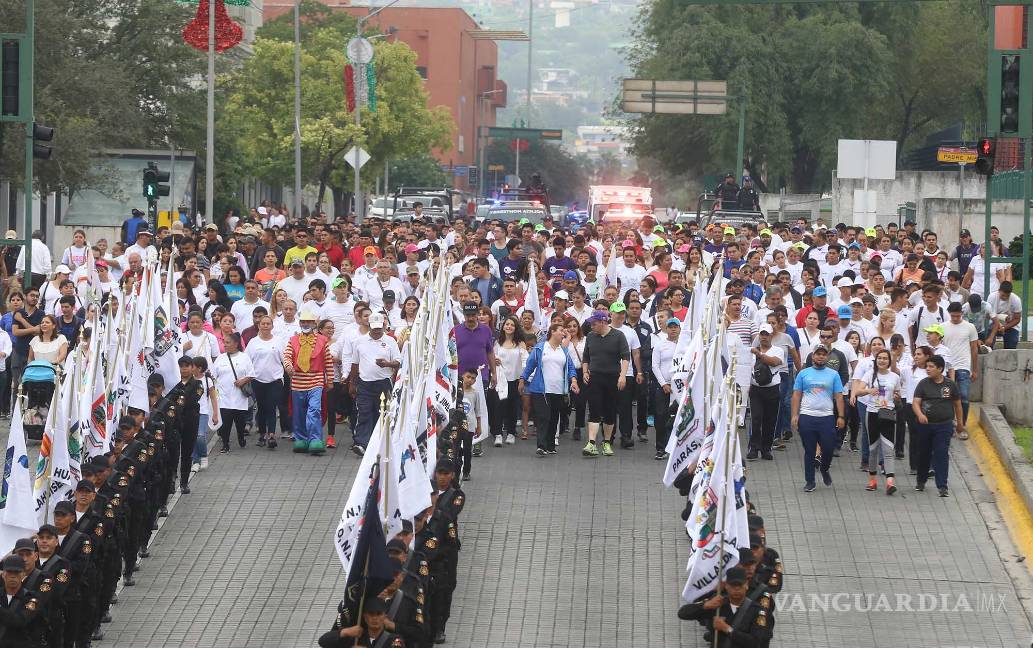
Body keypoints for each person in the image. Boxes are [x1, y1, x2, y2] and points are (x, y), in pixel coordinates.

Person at [791, 344, 846, 492]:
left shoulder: (833, 375)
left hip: (826, 417)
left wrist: (840, 416)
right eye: (818, 354)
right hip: (807, 416)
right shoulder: (803, 373)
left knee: (828, 448)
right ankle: (810, 481)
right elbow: (796, 395)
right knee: (809, 451)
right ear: (812, 356)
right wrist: (795, 415)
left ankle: (824, 468)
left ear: (827, 357)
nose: (821, 356)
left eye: (823, 354)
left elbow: (839, 396)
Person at [519, 322, 579, 456]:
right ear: (552, 332)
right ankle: (541, 445)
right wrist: (522, 379)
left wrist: (573, 380)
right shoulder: (541, 348)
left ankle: (551, 445)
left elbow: (570, 368)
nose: (563, 333)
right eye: (561, 330)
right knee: (543, 416)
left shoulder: (563, 350)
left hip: (558, 390)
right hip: (541, 389)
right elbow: (530, 365)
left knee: (553, 418)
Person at [349, 312, 401, 456]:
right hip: (365, 383)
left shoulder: (390, 341)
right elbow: (355, 364)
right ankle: (361, 443)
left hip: (384, 383)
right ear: (369, 325)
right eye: (375, 327)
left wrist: (387, 364)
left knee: (383, 413)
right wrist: (352, 383)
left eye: (380, 327)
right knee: (364, 412)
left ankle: (382, 444)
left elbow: (398, 362)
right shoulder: (359, 341)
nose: (377, 330)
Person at [912, 354, 963, 497]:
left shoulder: (950, 385)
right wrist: (920, 415)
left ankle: (942, 486)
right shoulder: (923, 384)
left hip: (944, 425)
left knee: (941, 454)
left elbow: (957, 405)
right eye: (927, 366)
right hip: (925, 426)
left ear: (940, 369)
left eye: (931, 367)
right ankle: (921, 481)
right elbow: (916, 403)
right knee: (924, 453)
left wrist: (960, 423)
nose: (927, 369)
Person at [581, 310, 630, 457]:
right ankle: (591, 442)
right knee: (594, 409)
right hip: (595, 377)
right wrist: (585, 372)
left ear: (603, 322)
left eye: (594, 324)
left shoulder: (618, 336)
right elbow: (586, 357)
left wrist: (623, 375)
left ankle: (607, 442)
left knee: (610, 411)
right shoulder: (590, 336)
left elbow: (626, 357)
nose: (592, 327)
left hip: (612, 378)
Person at [284, 310, 334, 455]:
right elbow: (287, 356)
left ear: (314, 324)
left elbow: (328, 361)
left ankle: (315, 439)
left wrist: (329, 380)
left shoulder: (322, 340)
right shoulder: (292, 340)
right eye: (303, 322)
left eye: (309, 322)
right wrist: (288, 366)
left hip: (316, 379)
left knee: (314, 410)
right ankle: (301, 438)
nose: (306, 324)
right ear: (300, 323)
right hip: (298, 380)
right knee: (298, 412)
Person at [855, 349, 901, 495]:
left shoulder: (895, 377)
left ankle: (889, 482)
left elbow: (898, 394)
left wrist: (897, 397)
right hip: (873, 414)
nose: (882, 361)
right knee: (873, 448)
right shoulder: (870, 374)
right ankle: (872, 480)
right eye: (879, 358)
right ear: (876, 360)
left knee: (888, 449)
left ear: (889, 361)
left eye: (885, 358)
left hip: (887, 414)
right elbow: (858, 391)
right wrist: (869, 391)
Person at [246, 315, 287, 448]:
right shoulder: (253, 342)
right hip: (257, 380)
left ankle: (271, 435)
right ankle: (262, 434)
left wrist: (290, 370)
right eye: (263, 324)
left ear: (272, 326)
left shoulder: (278, 341)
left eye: (268, 324)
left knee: (271, 407)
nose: (265, 326)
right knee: (262, 408)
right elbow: (247, 361)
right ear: (259, 326)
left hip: (275, 379)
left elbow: (285, 359)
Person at [212, 332, 255, 453]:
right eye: (224, 342)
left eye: (227, 342)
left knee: (240, 422)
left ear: (236, 344)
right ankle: (225, 444)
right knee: (225, 423)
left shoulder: (244, 357)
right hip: (224, 397)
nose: (224, 345)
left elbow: (252, 374)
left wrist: (242, 381)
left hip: (239, 397)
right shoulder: (220, 358)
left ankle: (241, 438)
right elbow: (213, 376)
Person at [748, 323, 785, 461]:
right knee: (756, 419)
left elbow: (774, 362)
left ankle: (766, 449)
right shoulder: (752, 352)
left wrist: (759, 354)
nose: (764, 337)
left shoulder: (778, 350)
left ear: (771, 336)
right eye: (761, 334)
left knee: (770, 420)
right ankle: (753, 448)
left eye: (766, 334)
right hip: (756, 389)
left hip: (772, 389)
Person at [493, 316, 527, 446]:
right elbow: (492, 358)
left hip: (515, 379)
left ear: (516, 328)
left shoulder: (520, 344)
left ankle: (511, 433)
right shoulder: (497, 342)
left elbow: (525, 362)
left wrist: (522, 379)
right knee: (499, 406)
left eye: (512, 325)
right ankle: (498, 434)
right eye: (507, 324)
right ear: (503, 326)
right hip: (501, 379)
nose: (509, 327)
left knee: (512, 407)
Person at [650, 317, 681, 461]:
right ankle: (661, 448)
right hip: (663, 386)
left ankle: (676, 447)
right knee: (661, 416)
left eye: (676, 327)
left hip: (680, 387)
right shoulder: (660, 345)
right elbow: (655, 366)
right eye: (671, 327)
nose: (673, 329)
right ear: (666, 329)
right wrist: (663, 384)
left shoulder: (685, 346)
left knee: (678, 418)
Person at [987, 280, 1022, 349]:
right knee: (988, 342)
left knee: (1012, 343)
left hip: (1010, 326)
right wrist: (997, 325)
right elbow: (988, 315)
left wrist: (1004, 327)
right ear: (999, 290)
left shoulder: (1016, 300)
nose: (1005, 297)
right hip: (993, 324)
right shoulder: (992, 297)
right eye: (1003, 295)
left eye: (1007, 296)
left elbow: (1017, 319)